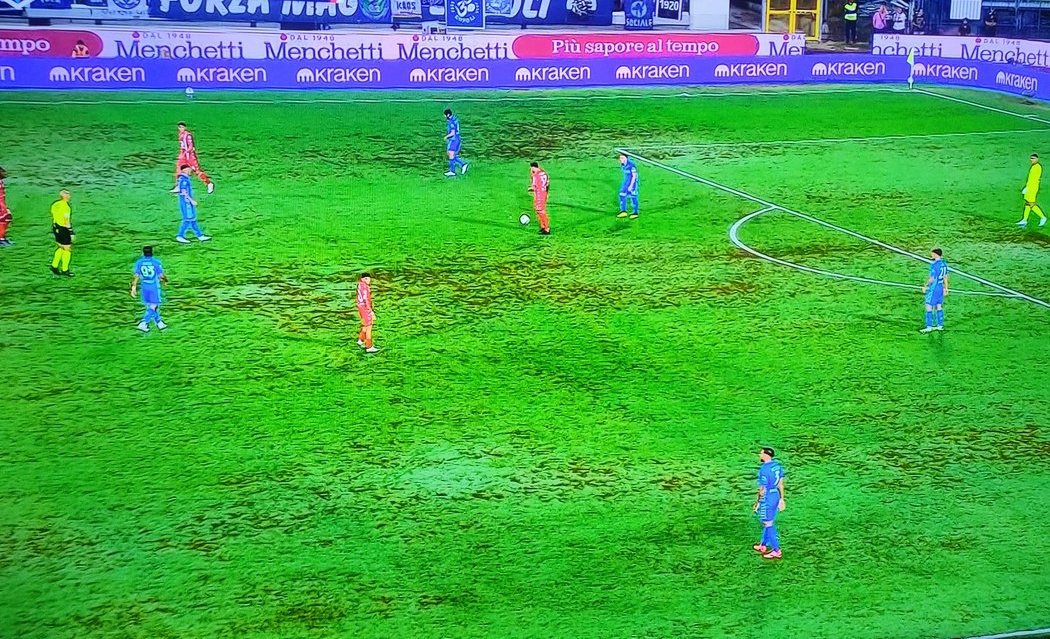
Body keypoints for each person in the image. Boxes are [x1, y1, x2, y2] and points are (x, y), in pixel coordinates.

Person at [753, 447, 785, 560]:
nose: (759, 455)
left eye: (761, 453)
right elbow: (781, 484)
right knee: (769, 521)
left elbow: (762, 489)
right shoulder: (777, 466)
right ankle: (763, 545)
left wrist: (757, 502)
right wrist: (782, 499)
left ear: (766, 455)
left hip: (767, 498)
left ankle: (776, 550)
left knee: (768, 523)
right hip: (775, 495)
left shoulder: (764, 470)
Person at [131, 245, 169, 333]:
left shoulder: (139, 262)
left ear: (143, 253)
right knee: (154, 305)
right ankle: (144, 323)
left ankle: (159, 323)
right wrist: (165, 280)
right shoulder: (155, 262)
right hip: (153, 286)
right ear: (152, 252)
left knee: (151, 305)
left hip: (144, 286)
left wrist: (134, 287)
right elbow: (161, 275)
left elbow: (136, 276)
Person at [170, 122, 214, 194]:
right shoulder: (180, 134)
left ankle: (209, 183)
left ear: (185, 127)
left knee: (197, 171)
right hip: (183, 156)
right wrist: (182, 154)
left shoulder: (188, 135)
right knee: (179, 170)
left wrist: (186, 153)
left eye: (182, 127)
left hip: (190, 156)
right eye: (179, 127)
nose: (181, 129)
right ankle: (178, 186)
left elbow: (191, 146)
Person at [175, 165, 211, 243]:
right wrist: (191, 201)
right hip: (186, 203)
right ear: (185, 170)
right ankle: (180, 236)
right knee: (187, 219)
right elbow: (184, 192)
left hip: (187, 203)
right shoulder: (184, 180)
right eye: (189, 169)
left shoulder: (184, 179)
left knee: (193, 219)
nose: (190, 171)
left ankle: (200, 236)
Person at [920, 248, 949, 333]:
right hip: (940, 288)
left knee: (928, 305)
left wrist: (925, 286)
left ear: (936, 254)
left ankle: (929, 326)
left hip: (934, 288)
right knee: (939, 306)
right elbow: (945, 277)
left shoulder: (935, 265)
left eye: (932, 254)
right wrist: (946, 288)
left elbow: (932, 278)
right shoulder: (944, 264)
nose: (931, 255)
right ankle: (940, 325)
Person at [1018, 153, 1047, 227]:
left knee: (1031, 203)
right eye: (1031, 158)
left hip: (1033, 188)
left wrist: (1028, 188)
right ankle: (1024, 220)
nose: (1031, 160)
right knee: (1027, 203)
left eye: (1033, 158)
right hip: (1030, 187)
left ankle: (1042, 217)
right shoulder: (1033, 166)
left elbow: (1034, 180)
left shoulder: (1037, 167)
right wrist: (1026, 187)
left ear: (1037, 159)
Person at [49, 190, 74, 277]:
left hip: (55, 227)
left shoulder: (55, 204)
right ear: (66, 197)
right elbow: (66, 221)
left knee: (61, 247)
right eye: (68, 195)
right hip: (63, 229)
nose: (70, 196)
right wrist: (71, 232)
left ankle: (54, 266)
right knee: (67, 249)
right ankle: (65, 269)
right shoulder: (66, 207)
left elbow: (53, 214)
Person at [356, 272, 379, 353]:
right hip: (365, 308)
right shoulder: (365, 287)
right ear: (363, 279)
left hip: (360, 307)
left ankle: (361, 340)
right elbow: (366, 300)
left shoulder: (360, 285)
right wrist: (371, 312)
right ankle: (369, 347)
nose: (369, 281)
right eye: (367, 279)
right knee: (369, 326)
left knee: (365, 325)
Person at [443, 108, 469, 177]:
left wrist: (446, 137)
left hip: (454, 140)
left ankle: (454, 169)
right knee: (450, 154)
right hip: (456, 139)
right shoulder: (454, 119)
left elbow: (452, 133)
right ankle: (461, 165)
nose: (445, 117)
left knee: (451, 154)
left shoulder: (451, 122)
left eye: (445, 115)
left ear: (448, 114)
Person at [529, 161, 551, 235]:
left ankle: (547, 228)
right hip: (544, 193)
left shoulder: (535, 176)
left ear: (533, 167)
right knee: (540, 210)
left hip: (539, 194)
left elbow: (534, 187)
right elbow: (547, 184)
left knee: (540, 210)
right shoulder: (544, 173)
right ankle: (543, 226)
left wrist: (530, 189)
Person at [617, 153, 639, 219]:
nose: (621, 159)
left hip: (632, 183)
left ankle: (635, 213)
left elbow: (634, 176)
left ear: (626, 158)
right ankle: (623, 211)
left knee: (633, 197)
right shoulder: (623, 165)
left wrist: (631, 185)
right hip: (626, 182)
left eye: (622, 158)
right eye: (620, 158)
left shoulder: (631, 165)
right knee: (622, 195)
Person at [0, 167, 11, 247]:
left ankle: (3, 237)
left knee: (7, 218)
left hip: (2, 204)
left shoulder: (1, 182)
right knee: (4, 219)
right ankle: (1, 238)